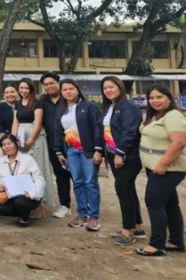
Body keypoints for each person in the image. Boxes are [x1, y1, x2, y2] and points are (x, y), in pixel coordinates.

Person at [135, 86, 186, 257]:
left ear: (169, 98)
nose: (155, 101)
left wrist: (163, 164)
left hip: (167, 169)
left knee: (154, 202)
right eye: (151, 97)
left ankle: (157, 245)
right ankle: (176, 241)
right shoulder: (155, 116)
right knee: (170, 204)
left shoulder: (174, 116)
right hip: (155, 168)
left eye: (160, 97)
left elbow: (178, 143)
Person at [53, 79, 104, 232]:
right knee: (78, 182)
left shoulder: (88, 107)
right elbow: (57, 131)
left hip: (88, 150)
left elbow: (97, 127)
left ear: (77, 90)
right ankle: (82, 214)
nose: (68, 92)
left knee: (91, 182)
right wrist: (58, 151)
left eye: (71, 88)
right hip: (71, 151)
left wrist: (98, 149)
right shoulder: (61, 110)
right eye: (64, 90)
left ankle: (93, 216)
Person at [101, 75, 145, 246]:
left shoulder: (129, 107)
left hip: (128, 155)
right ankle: (137, 226)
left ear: (120, 87)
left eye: (111, 86)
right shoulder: (112, 107)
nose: (108, 90)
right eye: (105, 88)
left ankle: (127, 231)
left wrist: (121, 152)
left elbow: (130, 131)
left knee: (122, 190)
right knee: (129, 189)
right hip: (114, 153)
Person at [12, 78, 56, 210]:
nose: (23, 91)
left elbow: (38, 123)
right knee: (24, 170)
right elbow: (15, 122)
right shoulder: (18, 103)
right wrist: (13, 140)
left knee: (38, 169)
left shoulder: (37, 103)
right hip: (20, 137)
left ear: (31, 89)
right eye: (21, 88)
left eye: (26, 88)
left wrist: (30, 140)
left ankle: (41, 204)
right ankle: (27, 201)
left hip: (35, 139)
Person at [38, 73, 72, 219]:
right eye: (46, 84)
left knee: (79, 176)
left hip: (73, 144)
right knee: (61, 175)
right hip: (53, 145)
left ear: (58, 83)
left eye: (51, 83)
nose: (49, 86)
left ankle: (88, 206)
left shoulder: (68, 98)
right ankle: (65, 205)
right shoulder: (42, 101)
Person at [0, 134, 46, 228]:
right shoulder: (1, 161)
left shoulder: (27, 159)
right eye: (4, 145)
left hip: (27, 195)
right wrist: (0, 185)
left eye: (9, 143)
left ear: (16, 144)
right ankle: (22, 213)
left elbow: (39, 178)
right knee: (1, 209)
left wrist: (33, 193)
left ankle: (25, 217)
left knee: (21, 202)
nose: (6, 146)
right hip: (11, 195)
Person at [0, 84, 19, 177]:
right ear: (3, 95)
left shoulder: (22, 105)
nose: (10, 94)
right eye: (7, 92)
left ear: (17, 93)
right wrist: (5, 142)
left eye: (12, 91)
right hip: (7, 139)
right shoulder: (1, 107)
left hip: (22, 139)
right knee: (9, 163)